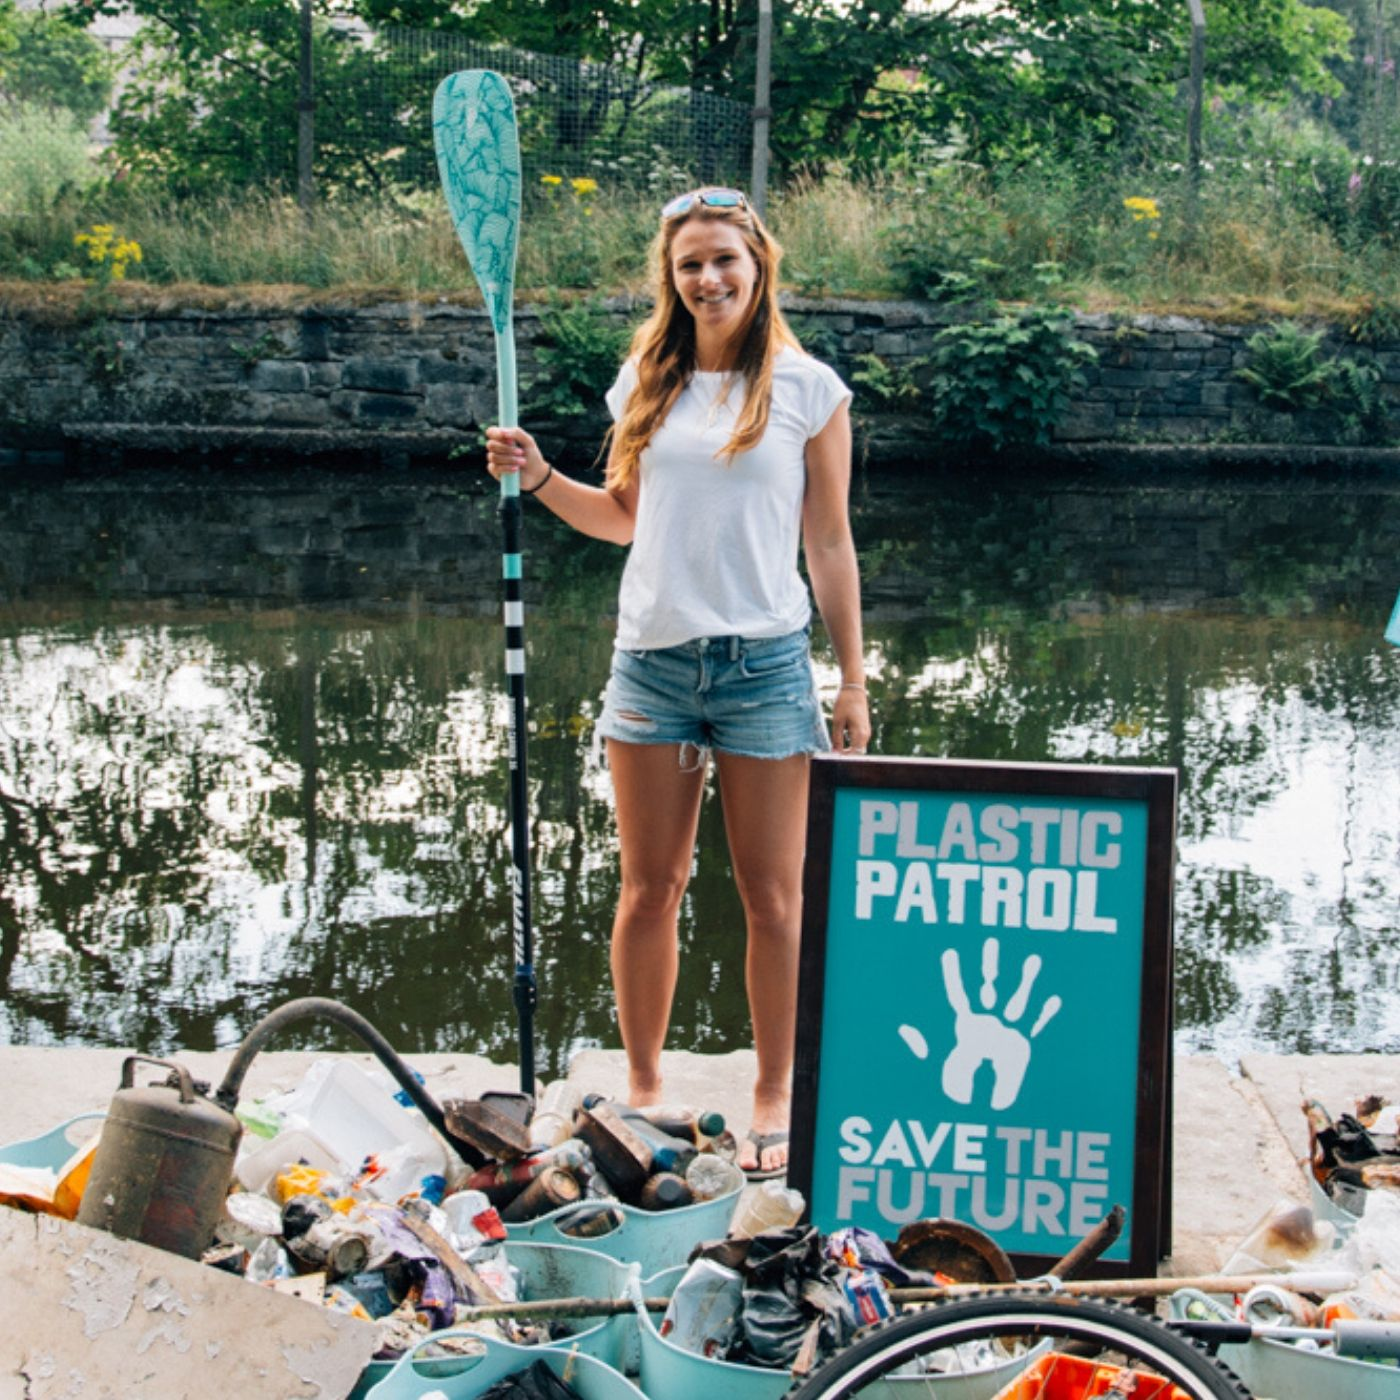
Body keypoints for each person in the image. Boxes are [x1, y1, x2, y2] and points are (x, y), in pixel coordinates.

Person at [485, 187, 870, 1178]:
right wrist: (536, 476)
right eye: (689, 263)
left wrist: (852, 678)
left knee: (772, 897)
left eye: (723, 261)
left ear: (757, 267)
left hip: (766, 662)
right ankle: (645, 1090)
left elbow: (827, 541)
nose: (707, 278)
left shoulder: (806, 388)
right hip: (650, 662)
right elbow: (622, 516)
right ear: (672, 276)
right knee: (647, 887)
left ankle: (774, 1098)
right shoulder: (643, 385)